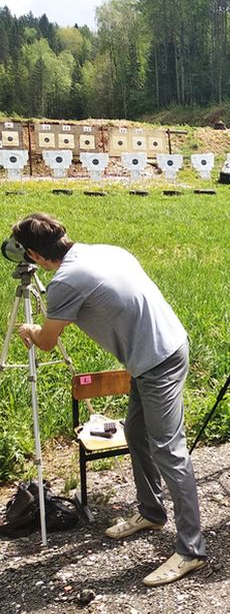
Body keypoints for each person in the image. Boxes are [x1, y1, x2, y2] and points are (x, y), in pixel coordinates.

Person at [12, 213, 206, 587]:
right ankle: (151, 512)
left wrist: (29, 329)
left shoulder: (65, 281)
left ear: (34, 254)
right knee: (136, 433)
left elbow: (47, 340)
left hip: (157, 362)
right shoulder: (104, 250)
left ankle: (190, 550)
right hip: (159, 351)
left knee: (169, 451)